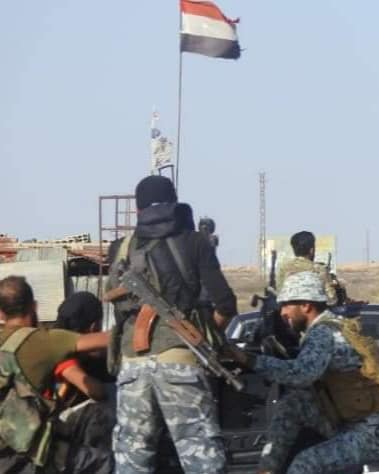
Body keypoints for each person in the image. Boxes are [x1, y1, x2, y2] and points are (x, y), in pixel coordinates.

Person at [104, 175, 237, 474]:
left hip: (132, 366)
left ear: (137, 210)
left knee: (131, 460)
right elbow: (226, 304)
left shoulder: (120, 248)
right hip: (180, 360)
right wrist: (205, 336)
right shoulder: (195, 241)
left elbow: (117, 311)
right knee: (202, 459)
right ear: (175, 203)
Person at [226, 272, 379, 473]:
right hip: (366, 425)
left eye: (286, 305)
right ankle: (267, 470)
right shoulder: (335, 325)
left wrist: (248, 359)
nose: (283, 312)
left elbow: (301, 375)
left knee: (305, 463)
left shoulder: (323, 333)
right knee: (293, 404)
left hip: (376, 433)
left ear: (306, 306)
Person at [0, 276, 111, 473]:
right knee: (108, 462)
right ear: (34, 306)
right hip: (24, 455)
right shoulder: (46, 340)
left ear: (1, 313)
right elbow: (106, 339)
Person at [52, 292, 116, 474]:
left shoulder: (52, 342)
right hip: (61, 429)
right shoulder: (65, 355)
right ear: (94, 325)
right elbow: (97, 392)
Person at [278, 231, 342, 306]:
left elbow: (279, 293)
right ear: (311, 250)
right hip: (312, 311)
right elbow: (332, 299)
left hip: (289, 310)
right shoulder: (320, 269)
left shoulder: (284, 268)